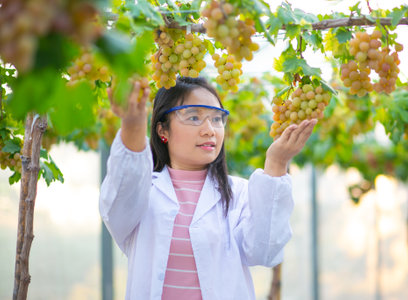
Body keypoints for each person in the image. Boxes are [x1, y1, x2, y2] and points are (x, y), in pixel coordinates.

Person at [99, 76, 317, 300]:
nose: (210, 130)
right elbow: (121, 196)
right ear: (162, 130)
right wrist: (133, 126)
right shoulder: (144, 192)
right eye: (194, 117)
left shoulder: (239, 193)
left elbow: (265, 252)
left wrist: (277, 164)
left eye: (216, 119)